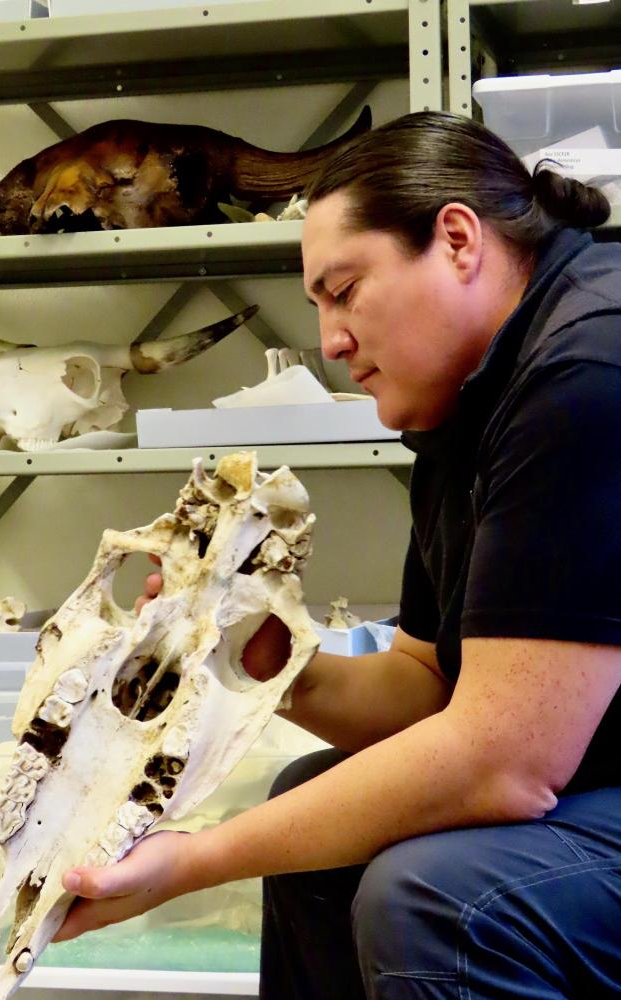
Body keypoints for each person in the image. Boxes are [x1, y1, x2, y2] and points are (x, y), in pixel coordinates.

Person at [54, 111, 621, 999]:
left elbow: (502, 760)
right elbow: (429, 686)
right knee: (312, 812)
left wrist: (192, 862)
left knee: (436, 899)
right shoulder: (465, 406)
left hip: (582, 783)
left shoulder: (591, 367)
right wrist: (263, 651)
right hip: (592, 779)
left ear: (459, 239)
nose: (329, 341)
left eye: (345, 290)